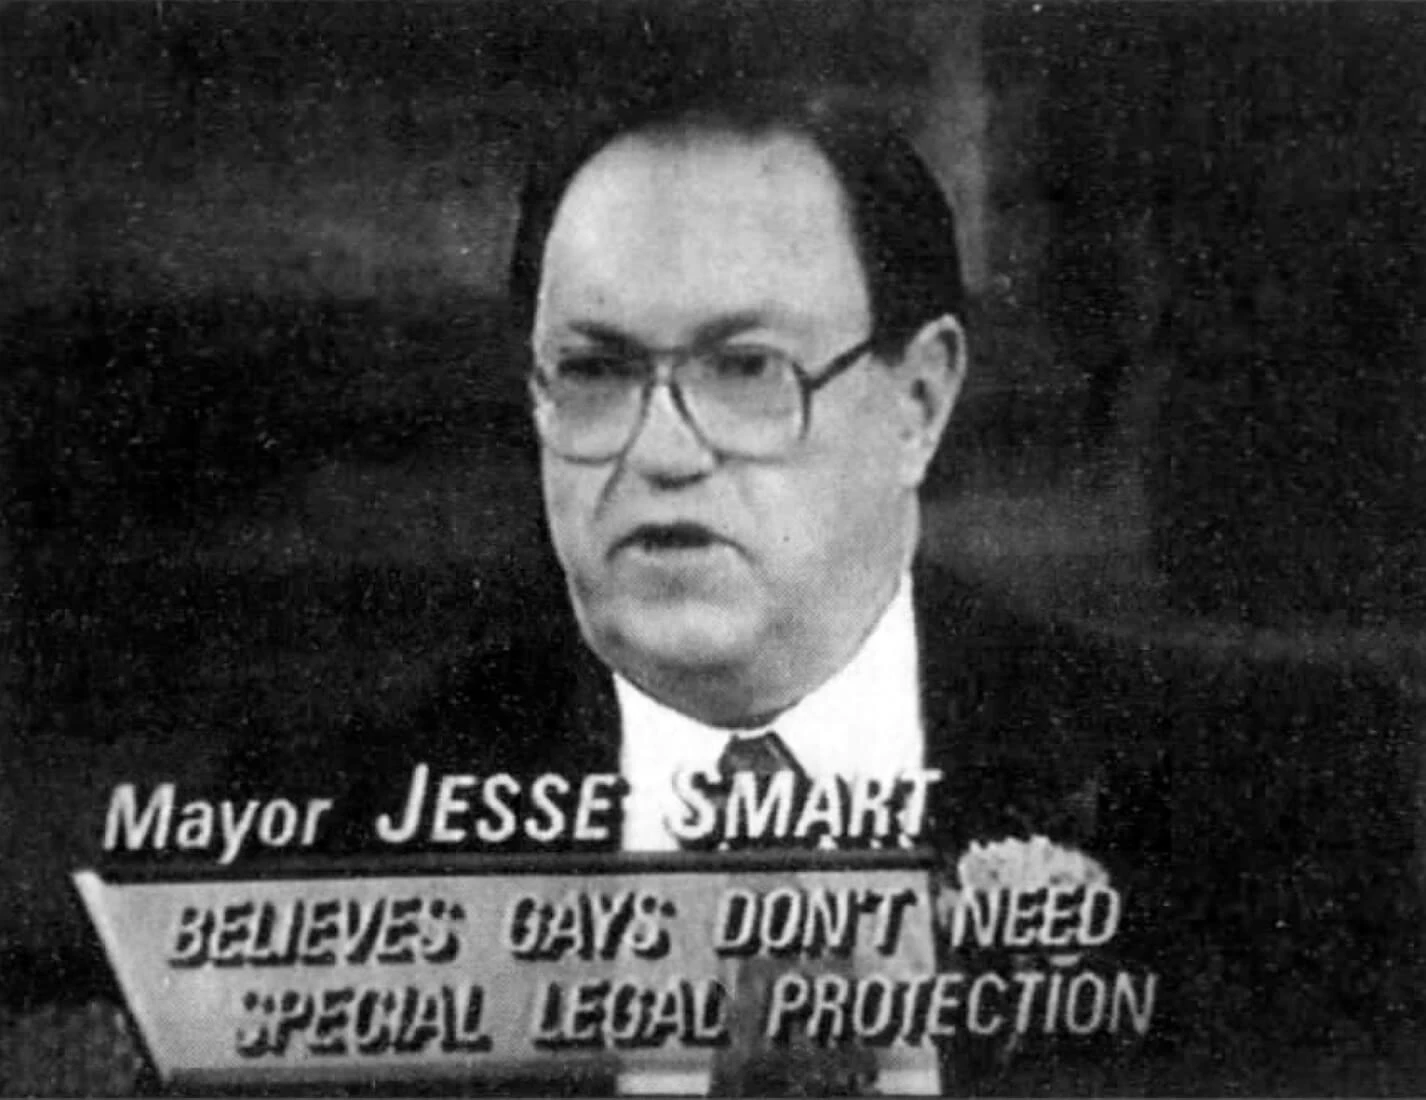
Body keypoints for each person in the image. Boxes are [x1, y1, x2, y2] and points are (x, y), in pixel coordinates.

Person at [15, 84, 1421, 1097]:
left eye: (746, 370)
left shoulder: (1284, 801)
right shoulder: (312, 843)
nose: (662, 452)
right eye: (601, 372)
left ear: (919, 398)